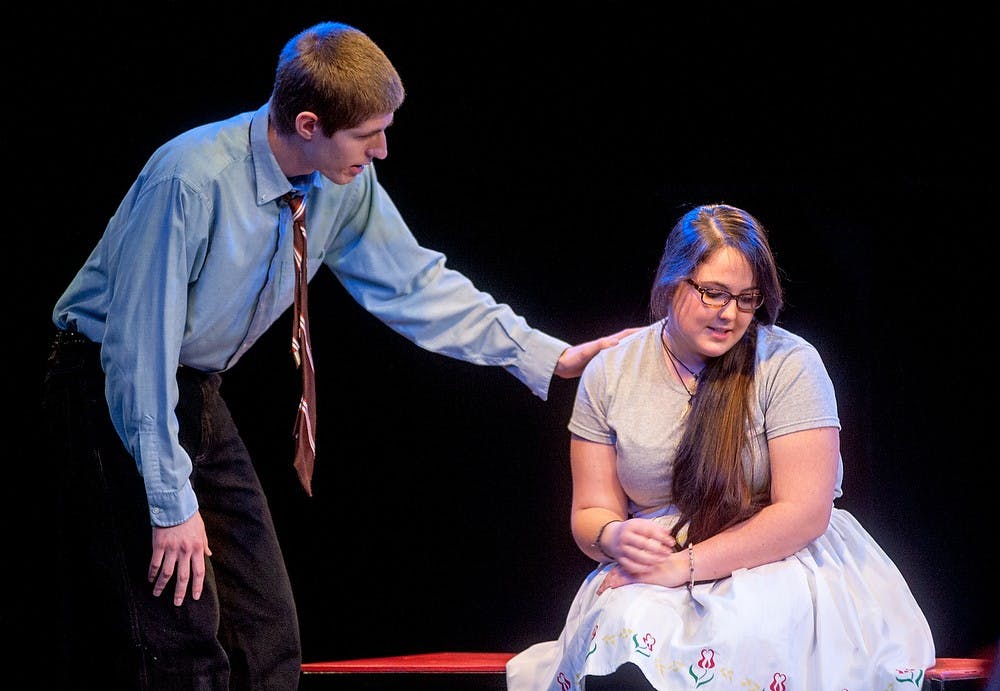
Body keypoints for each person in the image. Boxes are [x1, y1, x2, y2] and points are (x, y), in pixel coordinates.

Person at [42, 21, 636, 691]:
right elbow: (137, 349)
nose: (380, 150)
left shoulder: (339, 184)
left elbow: (413, 282)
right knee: (179, 627)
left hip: (192, 386)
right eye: (365, 135)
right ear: (306, 123)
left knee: (267, 630)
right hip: (109, 384)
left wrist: (543, 354)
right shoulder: (190, 180)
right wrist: (168, 501)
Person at [506, 203, 935, 690]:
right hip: (654, 571)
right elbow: (590, 510)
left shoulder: (788, 363)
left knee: (753, 631)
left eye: (747, 299)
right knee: (625, 630)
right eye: (713, 293)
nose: (729, 314)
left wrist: (681, 568)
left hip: (773, 560)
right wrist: (612, 537)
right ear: (672, 282)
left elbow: (803, 512)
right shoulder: (611, 371)